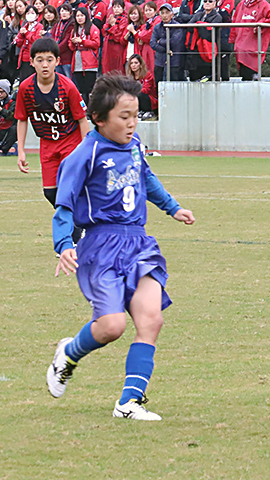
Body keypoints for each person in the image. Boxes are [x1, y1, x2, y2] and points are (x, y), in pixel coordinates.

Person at [47, 74, 195, 421]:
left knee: (151, 320)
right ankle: (68, 353)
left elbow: (146, 178)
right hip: (100, 246)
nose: (131, 124)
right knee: (111, 326)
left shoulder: (134, 144)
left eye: (135, 115)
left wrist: (173, 207)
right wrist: (64, 244)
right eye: (123, 117)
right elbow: (64, 205)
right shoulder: (85, 154)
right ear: (99, 118)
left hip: (138, 242)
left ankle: (130, 402)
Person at [15, 38, 90, 244]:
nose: (45, 65)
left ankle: (76, 234)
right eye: (40, 60)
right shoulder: (25, 88)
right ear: (32, 62)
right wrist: (20, 150)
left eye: (49, 60)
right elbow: (22, 119)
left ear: (57, 61)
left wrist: (86, 149)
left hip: (70, 142)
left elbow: (82, 120)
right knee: (50, 193)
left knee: (69, 188)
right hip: (47, 144)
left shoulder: (68, 87)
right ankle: (79, 227)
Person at [229, 0, 270, 81]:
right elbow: (235, 21)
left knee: (250, 71)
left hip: (254, 46)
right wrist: (232, 39)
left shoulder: (264, 5)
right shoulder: (241, 4)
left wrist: (259, 25)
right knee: (243, 72)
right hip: (240, 46)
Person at [69, 7, 100, 104]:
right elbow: (70, 45)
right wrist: (73, 43)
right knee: (80, 87)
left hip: (89, 60)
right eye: (77, 16)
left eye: (82, 15)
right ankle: (83, 108)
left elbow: (96, 43)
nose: (79, 18)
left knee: (89, 87)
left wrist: (82, 41)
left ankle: (91, 107)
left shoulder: (93, 28)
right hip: (77, 60)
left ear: (86, 16)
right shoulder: (75, 29)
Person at [150, 2, 184, 83]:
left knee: (174, 84)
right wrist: (166, 50)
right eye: (162, 13)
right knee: (159, 83)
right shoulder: (157, 27)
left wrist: (161, 41)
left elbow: (174, 41)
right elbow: (153, 43)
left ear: (172, 14)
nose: (165, 15)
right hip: (160, 61)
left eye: (167, 13)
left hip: (174, 62)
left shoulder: (177, 26)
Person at [14, 5, 44, 83]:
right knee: (24, 81)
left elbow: (37, 40)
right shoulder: (25, 26)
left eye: (32, 13)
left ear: (37, 15)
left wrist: (26, 33)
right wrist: (20, 35)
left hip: (33, 57)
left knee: (32, 81)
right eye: (28, 13)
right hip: (23, 58)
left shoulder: (39, 26)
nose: (30, 15)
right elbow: (19, 43)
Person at [126, 53, 157, 118]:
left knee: (140, 94)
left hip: (149, 99)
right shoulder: (129, 77)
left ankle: (148, 111)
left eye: (136, 63)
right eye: (131, 63)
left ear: (140, 65)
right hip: (135, 98)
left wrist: (133, 92)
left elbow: (146, 89)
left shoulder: (147, 75)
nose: (133, 65)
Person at [102, 0, 128, 74]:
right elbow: (104, 31)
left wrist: (113, 26)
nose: (116, 9)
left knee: (117, 69)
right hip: (108, 47)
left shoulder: (124, 19)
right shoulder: (111, 17)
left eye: (119, 7)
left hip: (117, 47)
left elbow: (118, 36)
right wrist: (108, 25)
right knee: (107, 69)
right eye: (115, 7)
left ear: (123, 8)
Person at [136, 1, 161, 74]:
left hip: (153, 48)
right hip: (146, 48)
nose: (148, 12)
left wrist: (141, 35)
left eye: (150, 10)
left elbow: (149, 35)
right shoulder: (148, 22)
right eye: (146, 10)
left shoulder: (158, 20)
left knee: (152, 69)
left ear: (155, 10)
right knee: (146, 69)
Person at [52, 3, 74, 78]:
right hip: (58, 58)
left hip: (67, 57)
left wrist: (56, 49)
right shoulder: (57, 24)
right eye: (62, 11)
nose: (64, 13)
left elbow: (66, 40)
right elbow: (52, 37)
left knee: (69, 79)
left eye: (66, 11)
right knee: (59, 80)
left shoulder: (72, 24)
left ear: (70, 13)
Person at [0, 78, 17, 155]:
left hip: (8, 128)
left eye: (1, 92)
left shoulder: (12, 102)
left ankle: (3, 150)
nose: (0, 94)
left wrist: (1, 110)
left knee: (15, 129)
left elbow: (11, 116)